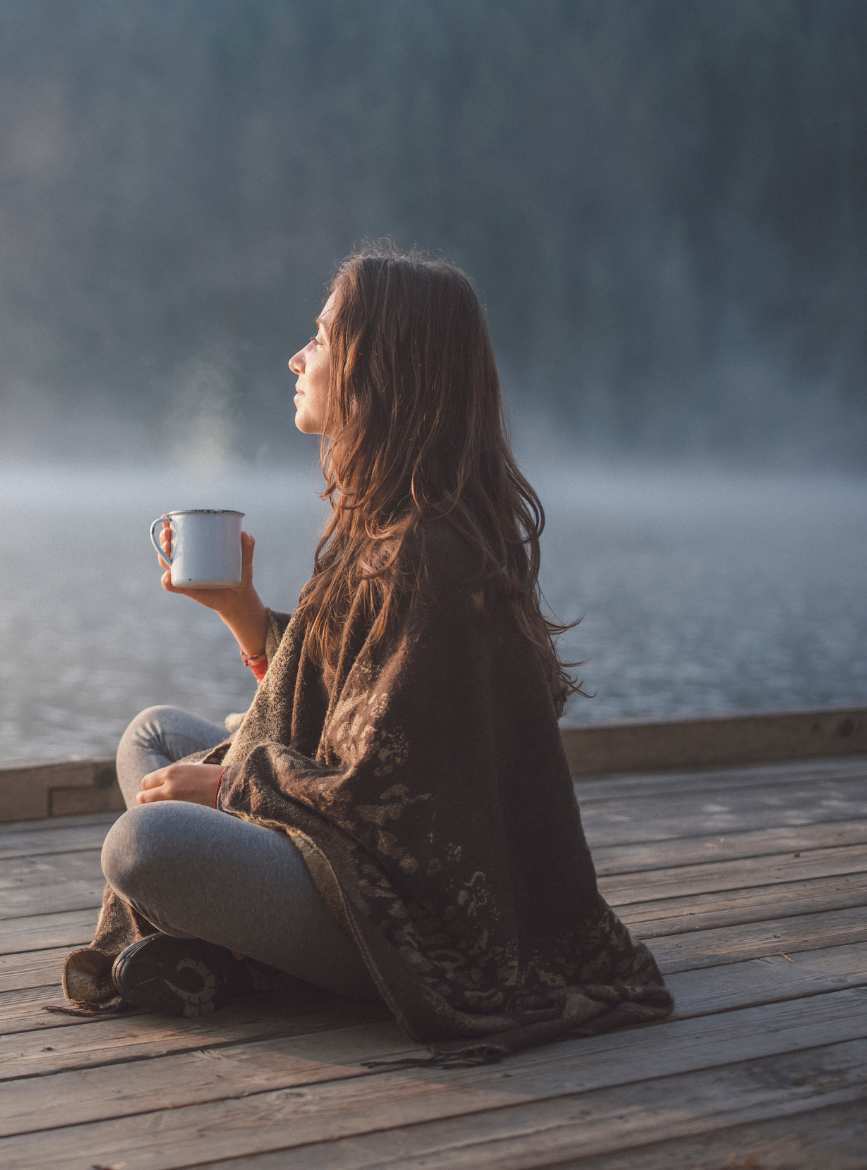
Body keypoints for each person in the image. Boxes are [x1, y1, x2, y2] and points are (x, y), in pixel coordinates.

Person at [57, 242, 672, 1065]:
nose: (296, 356)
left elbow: (392, 795)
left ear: (380, 366)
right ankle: (224, 943)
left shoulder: (430, 552)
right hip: (343, 850)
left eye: (320, 336)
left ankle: (242, 954)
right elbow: (338, 705)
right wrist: (242, 611)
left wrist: (234, 784)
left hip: (412, 919)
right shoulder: (383, 524)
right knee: (155, 736)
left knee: (145, 847)